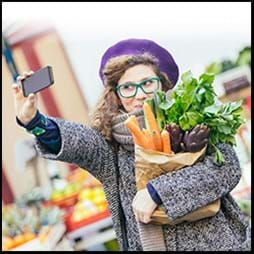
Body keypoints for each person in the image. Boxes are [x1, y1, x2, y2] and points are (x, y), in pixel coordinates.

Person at [12, 38, 251, 251]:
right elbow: (76, 140)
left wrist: (157, 193)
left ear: (163, 84)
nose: (139, 95)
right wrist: (33, 121)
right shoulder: (110, 147)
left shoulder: (193, 120)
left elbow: (225, 169)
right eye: (127, 87)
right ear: (115, 95)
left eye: (147, 83)